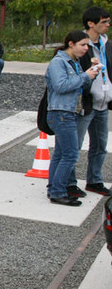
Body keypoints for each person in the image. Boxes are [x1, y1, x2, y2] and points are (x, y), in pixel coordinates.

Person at [45, 30, 99, 206]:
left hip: (69, 112)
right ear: (71, 44)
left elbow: (79, 86)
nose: (86, 49)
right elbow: (61, 86)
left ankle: (54, 188)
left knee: (61, 154)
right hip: (62, 113)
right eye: (83, 45)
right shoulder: (59, 62)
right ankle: (58, 192)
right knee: (70, 154)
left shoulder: (73, 62)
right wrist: (84, 76)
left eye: (87, 45)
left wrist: (92, 74)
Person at [67, 6, 112, 198]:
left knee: (100, 146)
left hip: (103, 103)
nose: (108, 25)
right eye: (104, 22)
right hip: (86, 103)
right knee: (74, 146)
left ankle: (94, 180)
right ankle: (69, 183)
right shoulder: (80, 45)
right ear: (91, 24)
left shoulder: (106, 43)